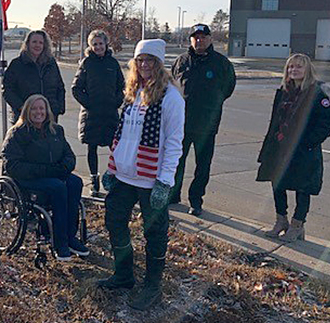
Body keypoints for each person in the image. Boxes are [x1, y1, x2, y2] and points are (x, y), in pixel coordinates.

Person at [98, 39, 185, 311]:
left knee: (155, 233)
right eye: (140, 60)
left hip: (151, 179)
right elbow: (122, 135)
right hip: (124, 176)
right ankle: (124, 275)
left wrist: (164, 182)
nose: (144, 65)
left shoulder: (170, 97)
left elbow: (174, 143)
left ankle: (153, 286)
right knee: (114, 222)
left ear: (159, 64)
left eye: (150, 60)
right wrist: (112, 168)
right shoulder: (133, 92)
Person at [257, 53, 330, 242]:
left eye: (298, 67)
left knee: (302, 188)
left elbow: (328, 124)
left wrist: (307, 142)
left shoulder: (317, 93)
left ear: (307, 69)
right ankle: (281, 220)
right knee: (277, 183)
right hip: (280, 148)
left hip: (303, 151)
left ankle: (297, 225)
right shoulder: (284, 91)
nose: (293, 70)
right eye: (291, 67)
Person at [1, 94, 88, 261]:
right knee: (58, 187)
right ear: (27, 111)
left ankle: (70, 236)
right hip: (28, 179)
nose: (38, 112)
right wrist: (46, 171)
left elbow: (69, 156)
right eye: (34, 108)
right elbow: (12, 166)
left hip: (52, 174)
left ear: (47, 111)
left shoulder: (56, 130)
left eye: (41, 108)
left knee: (75, 182)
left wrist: (63, 168)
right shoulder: (17, 134)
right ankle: (59, 241)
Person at [170, 23, 236, 216]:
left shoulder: (221, 63)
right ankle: (174, 195)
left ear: (210, 39)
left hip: (207, 126)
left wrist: (211, 105)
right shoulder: (181, 61)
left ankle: (196, 200)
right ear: (191, 39)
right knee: (176, 162)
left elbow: (228, 88)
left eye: (203, 37)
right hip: (181, 124)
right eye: (195, 37)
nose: (199, 40)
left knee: (202, 166)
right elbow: (173, 86)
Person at [72, 30, 125, 197]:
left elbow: (122, 86)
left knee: (115, 148)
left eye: (100, 43)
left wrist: (116, 102)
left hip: (109, 113)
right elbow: (76, 88)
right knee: (92, 147)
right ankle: (94, 180)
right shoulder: (86, 63)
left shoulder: (113, 63)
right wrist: (89, 104)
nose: (98, 47)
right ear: (90, 46)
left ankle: (115, 179)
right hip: (92, 114)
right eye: (94, 44)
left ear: (106, 44)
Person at [3, 30, 66, 123]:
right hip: (25, 118)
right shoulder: (17, 64)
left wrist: (59, 107)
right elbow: (7, 90)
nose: (37, 45)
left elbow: (60, 87)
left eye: (41, 42)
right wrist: (22, 107)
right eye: (34, 42)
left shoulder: (51, 64)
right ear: (27, 43)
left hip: (49, 117)